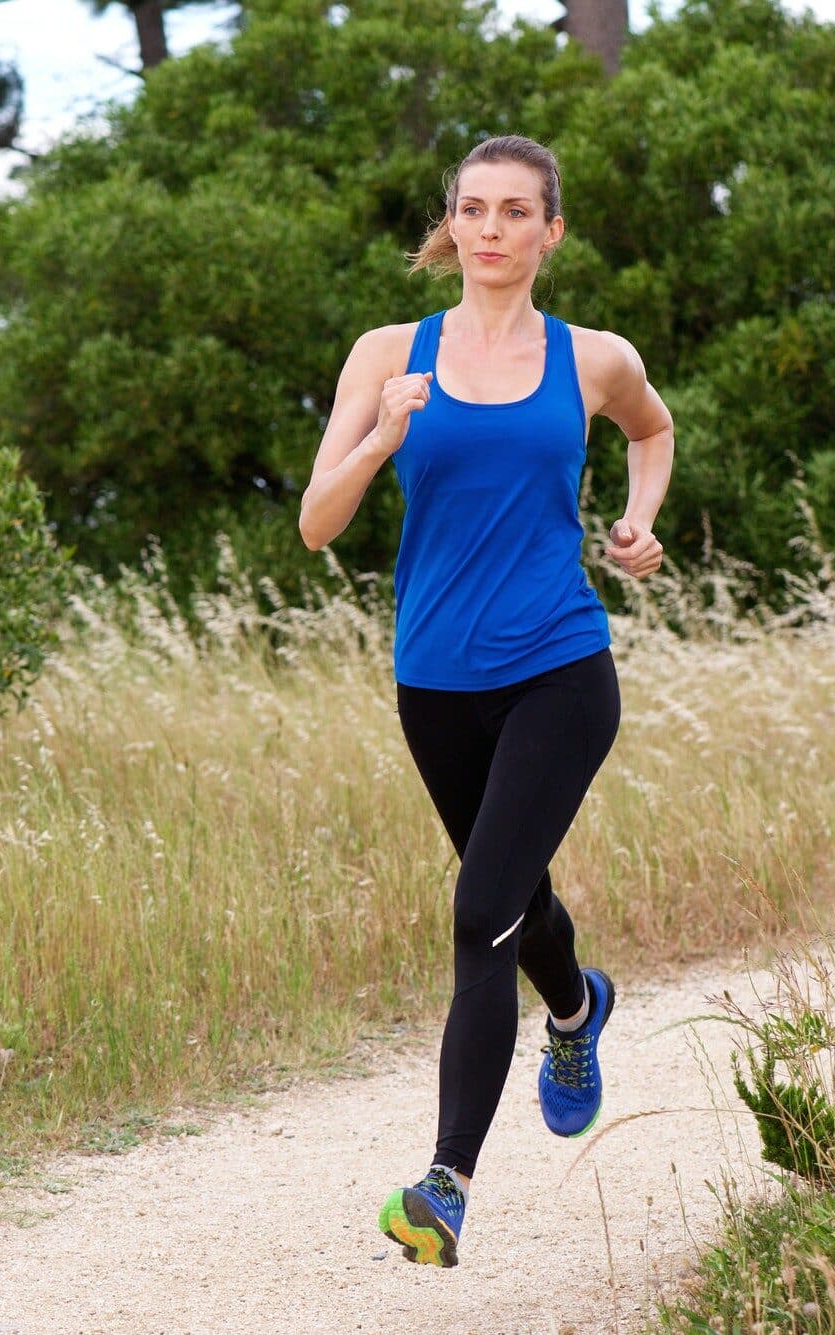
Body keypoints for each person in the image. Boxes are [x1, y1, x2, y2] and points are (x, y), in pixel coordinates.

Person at [298, 132, 674, 1269]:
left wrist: (636, 519)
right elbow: (317, 522)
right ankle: (575, 1009)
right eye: (476, 210)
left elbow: (650, 431)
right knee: (514, 900)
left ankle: (444, 1186)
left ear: (548, 231)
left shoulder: (592, 356)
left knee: (477, 911)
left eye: (519, 211)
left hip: (561, 666)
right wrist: (380, 437)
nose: (496, 229)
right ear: (451, 225)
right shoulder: (386, 352)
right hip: (434, 682)